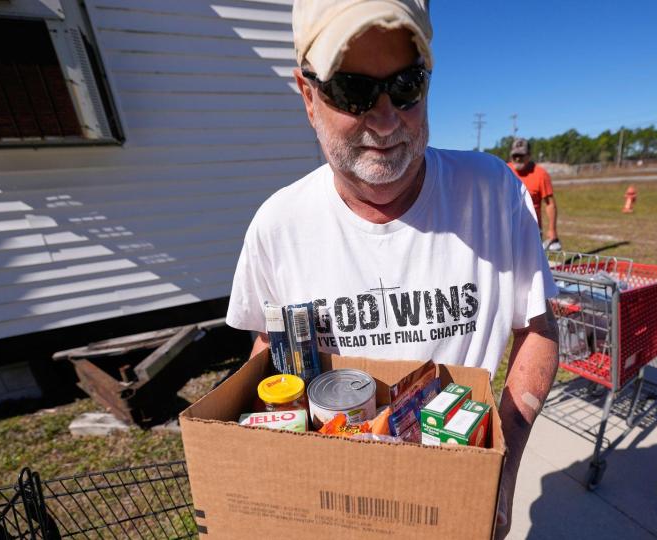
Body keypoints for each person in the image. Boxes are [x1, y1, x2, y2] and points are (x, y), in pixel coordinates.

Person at [225, 1, 558, 537]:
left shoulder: (495, 194)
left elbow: (538, 330)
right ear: (308, 96)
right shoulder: (277, 225)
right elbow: (270, 348)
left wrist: (504, 464)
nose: (384, 121)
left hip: (453, 497)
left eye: (406, 86)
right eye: (352, 91)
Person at [507, 138, 561, 251]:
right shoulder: (504, 171)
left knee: (530, 267)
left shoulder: (540, 174)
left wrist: (552, 230)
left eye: (521, 155)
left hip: (531, 232)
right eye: (514, 155)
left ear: (529, 155)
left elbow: (550, 204)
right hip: (506, 229)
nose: (517, 158)